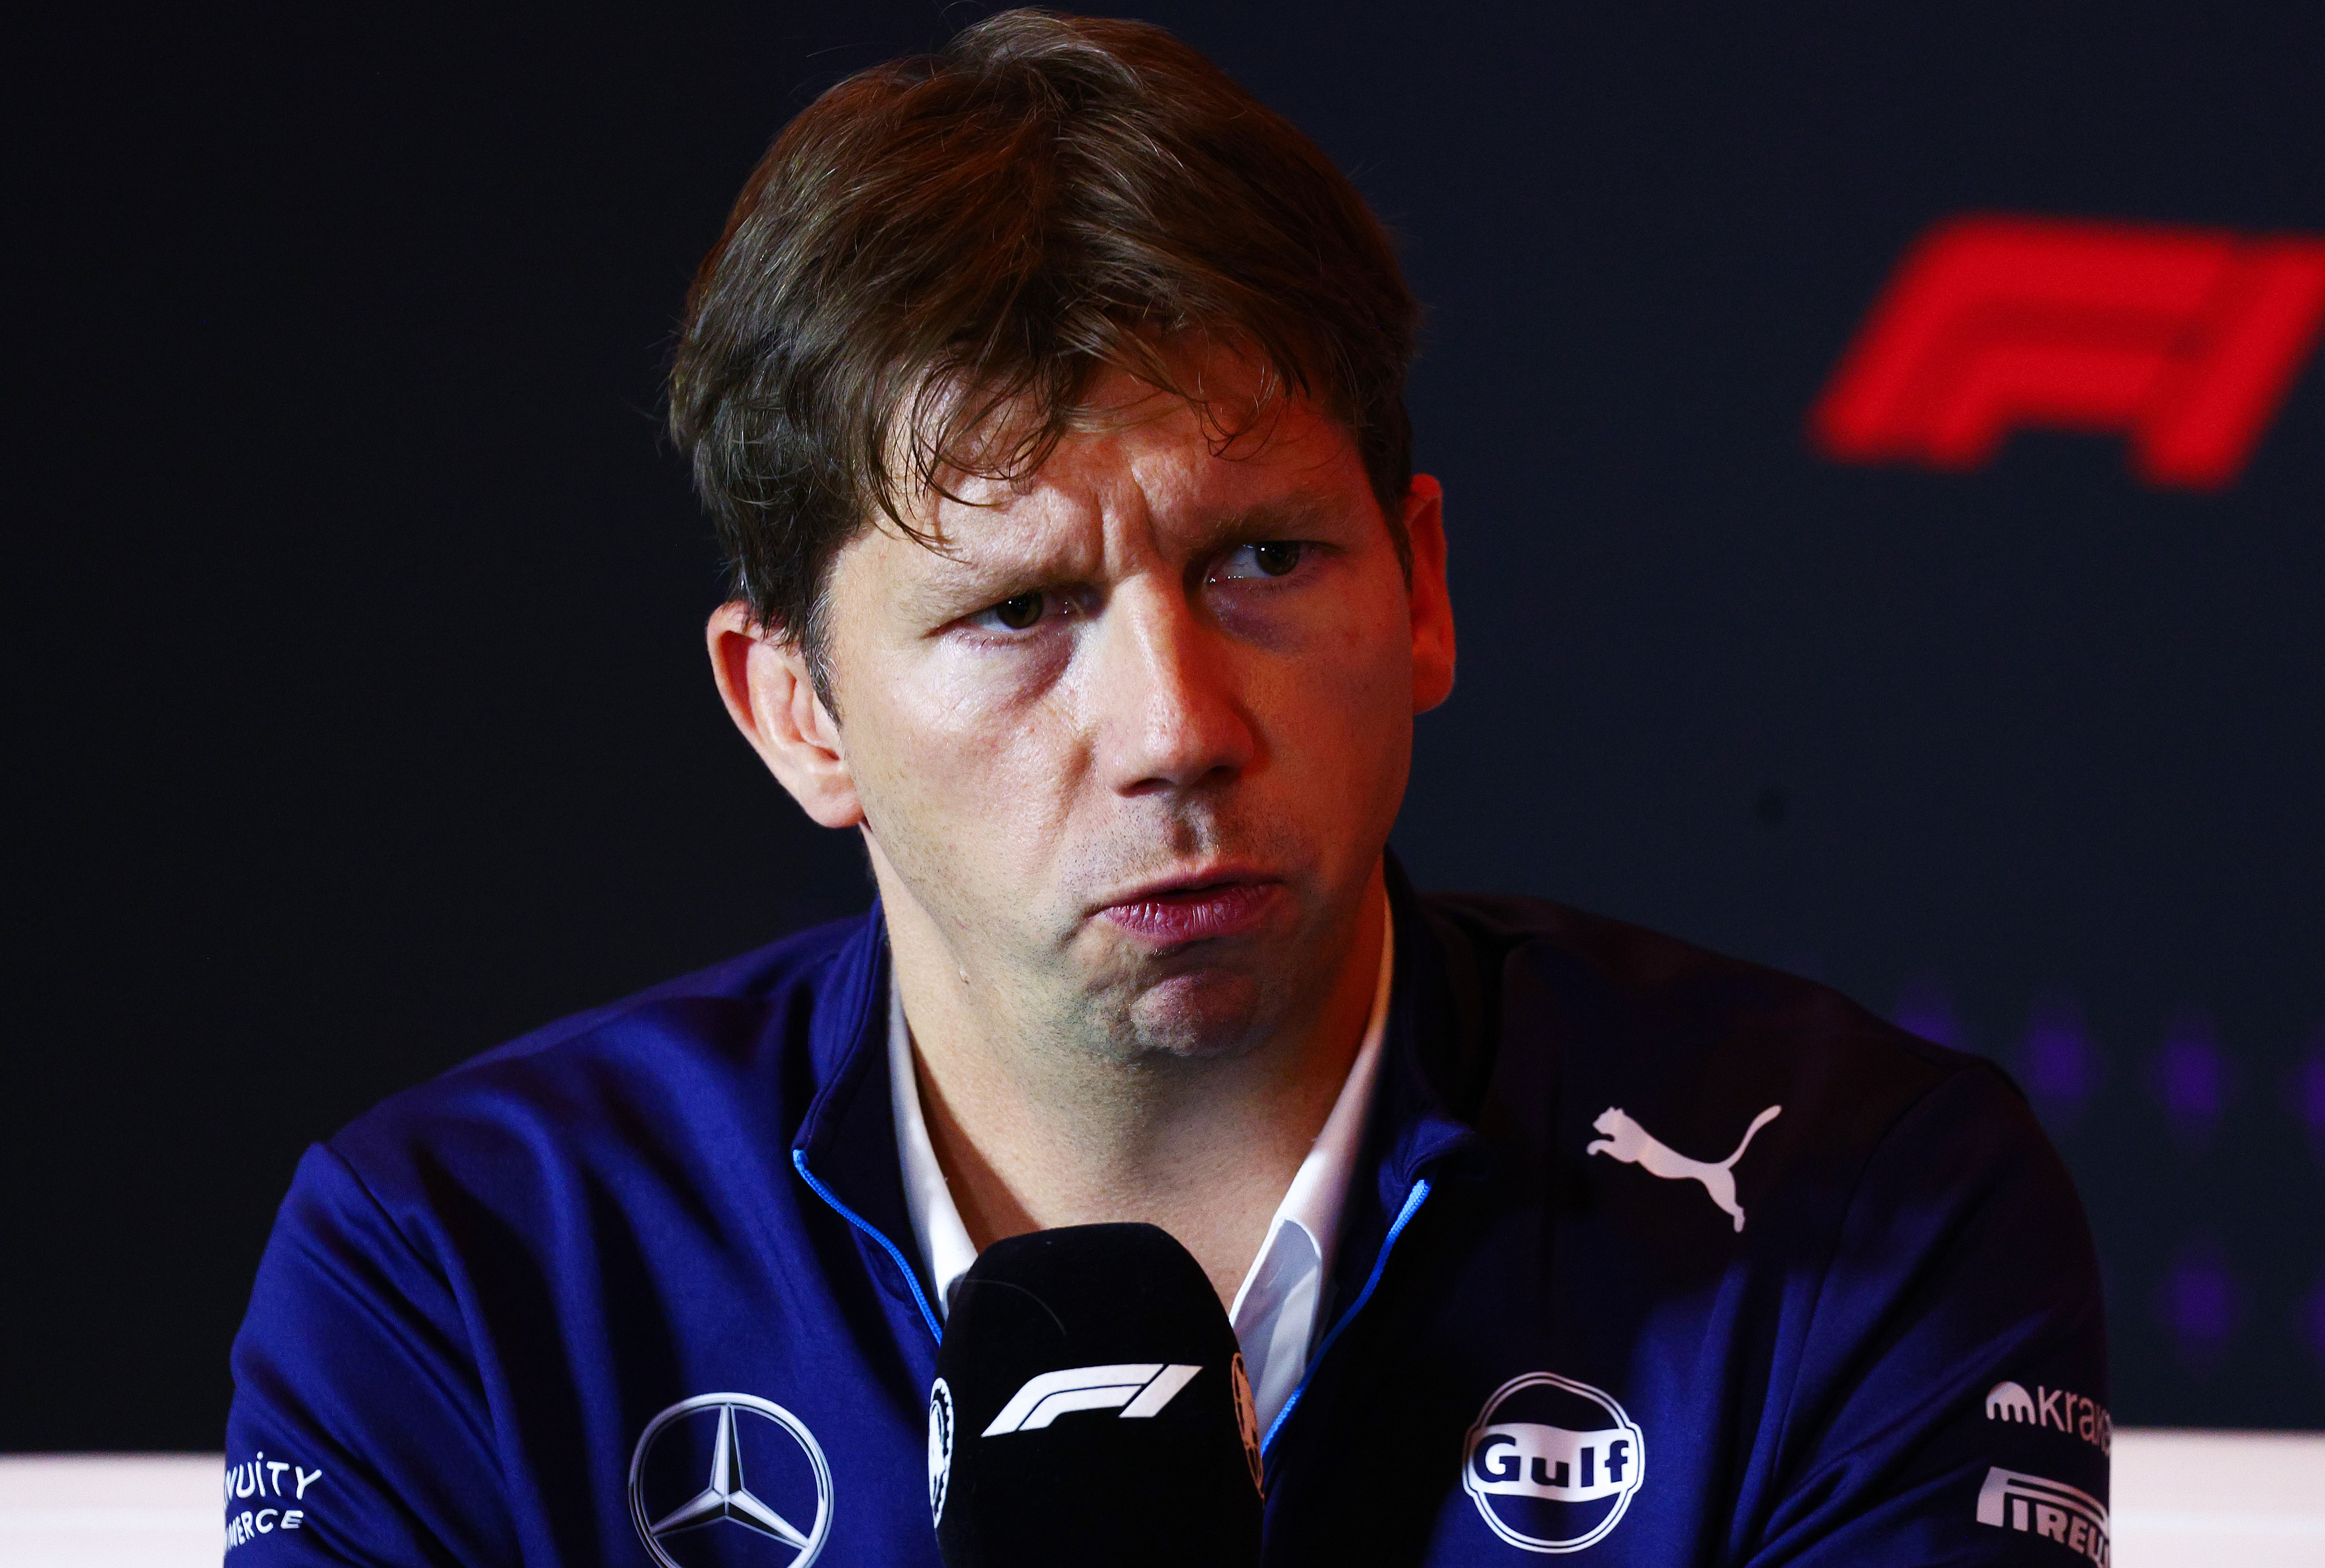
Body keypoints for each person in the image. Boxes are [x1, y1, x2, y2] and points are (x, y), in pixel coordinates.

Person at [223, 11, 2109, 1565]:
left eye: (1265, 562)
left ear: (1425, 588)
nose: (1175, 723)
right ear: (792, 707)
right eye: (1020, 607)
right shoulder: (463, 1264)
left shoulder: (1858, 1206)